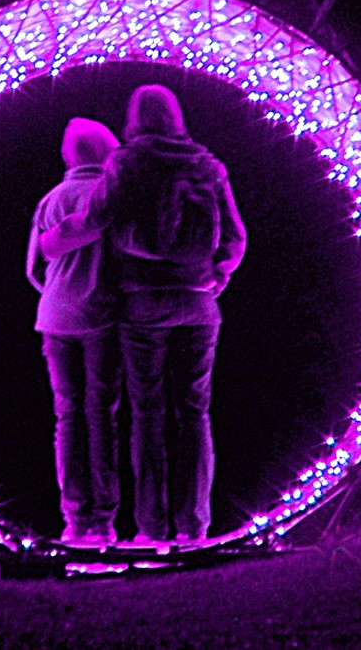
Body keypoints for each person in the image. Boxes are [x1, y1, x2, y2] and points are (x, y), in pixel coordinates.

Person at [41, 85, 246, 543]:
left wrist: (52, 240)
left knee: (147, 413)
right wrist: (218, 276)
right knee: (195, 413)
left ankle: (152, 530)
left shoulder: (127, 163)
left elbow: (96, 219)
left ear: (134, 119)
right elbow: (235, 238)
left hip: (142, 302)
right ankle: (193, 527)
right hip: (198, 301)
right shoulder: (208, 166)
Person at [26, 117, 123, 545]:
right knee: (101, 415)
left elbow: (32, 267)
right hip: (100, 316)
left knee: (67, 416)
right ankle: (103, 519)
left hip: (54, 317)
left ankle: (74, 517)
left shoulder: (50, 199)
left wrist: (57, 291)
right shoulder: (112, 197)